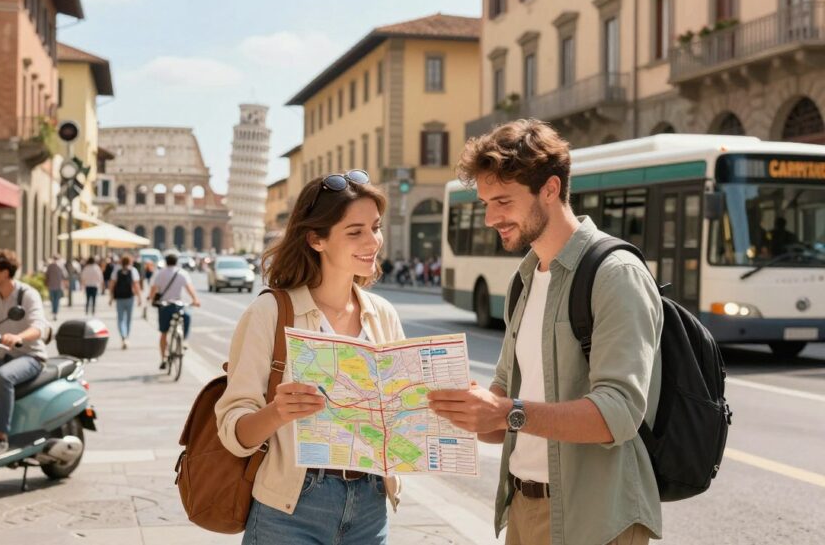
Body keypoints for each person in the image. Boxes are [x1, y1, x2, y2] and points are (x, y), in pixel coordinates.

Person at [427, 119, 663, 545]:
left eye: (502, 201)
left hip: (597, 519)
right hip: (523, 507)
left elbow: (619, 413)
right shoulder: (525, 277)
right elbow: (501, 413)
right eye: (485, 203)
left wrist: (507, 412)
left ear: (550, 190)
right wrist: (459, 409)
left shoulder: (615, 274)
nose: (489, 218)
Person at [215, 170, 404, 545]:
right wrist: (277, 412)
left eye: (376, 227)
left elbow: (398, 422)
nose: (373, 242)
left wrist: (435, 404)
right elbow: (233, 433)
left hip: (370, 504)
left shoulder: (382, 314)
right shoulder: (269, 313)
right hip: (291, 508)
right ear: (316, 239)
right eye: (355, 232)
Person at [0, 249, 50, 457]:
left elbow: (39, 326)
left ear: (5, 273)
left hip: (31, 357)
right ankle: (5, 412)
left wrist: (19, 337)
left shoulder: (27, 294)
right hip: (4, 356)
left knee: (2, 377)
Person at [148, 253, 200, 370]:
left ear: (166, 262)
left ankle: (163, 359)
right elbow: (189, 288)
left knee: (164, 333)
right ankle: (184, 340)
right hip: (178, 305)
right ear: (176, 262)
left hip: (164, 306)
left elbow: (153, 289)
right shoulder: (182, 273)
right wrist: (195, 300)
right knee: (187, 317)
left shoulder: (160, 273)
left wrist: (151, 299)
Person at [108, 254, 143, 350]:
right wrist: (139, 298)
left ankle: (123, 336)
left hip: (119, 297)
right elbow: (136, 285)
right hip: (130, 297)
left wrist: (111, 298)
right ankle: (126, 336)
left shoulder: (116, 270)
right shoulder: (133, 270)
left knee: (120, 319)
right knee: (128, 319)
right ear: (130, 262)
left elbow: (112, 285)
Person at [44, 256, 68, 321]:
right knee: (57, 300)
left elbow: (46, 275)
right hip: (58, 286)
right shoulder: (61, 266)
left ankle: (54, 311)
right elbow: (65, 275)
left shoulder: (50, 266)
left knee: (52, 300)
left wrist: (46, 283)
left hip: (51, 286)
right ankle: (55, 312)